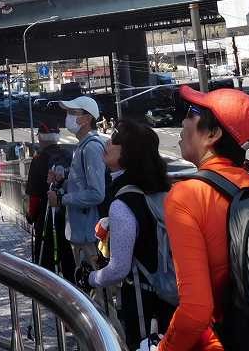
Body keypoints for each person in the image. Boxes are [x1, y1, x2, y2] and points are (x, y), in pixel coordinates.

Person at [159, 86, 249, 351]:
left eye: (191, 113)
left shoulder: (188, 195)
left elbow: (196, 311)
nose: (183, 121)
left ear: (212, 134)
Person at [80, 120, 174, 349]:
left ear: (129, 153)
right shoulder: (161, 190)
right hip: (169, 294)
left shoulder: (123, 202)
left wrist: (88, 279)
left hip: (142, 303)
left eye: (114, 140)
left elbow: (119, 269)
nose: (107, 142)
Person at [47, 95, 107, 270]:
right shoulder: (82, 146)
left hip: (89, 234)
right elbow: (81, 185)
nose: (68, 117)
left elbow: (97, 193)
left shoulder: (91, 148)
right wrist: (63, 181)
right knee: (84, 283)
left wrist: (61, 198)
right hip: (80, 231)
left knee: (95, 289)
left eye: (73, 112)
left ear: (87, 118)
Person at [25, 124, 75, 280]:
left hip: (45, 215)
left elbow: (34, 195)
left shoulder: (38, 159)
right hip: (69, 213)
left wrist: (31, 216)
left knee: (45, 260)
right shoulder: (68, 155)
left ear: (40, 138)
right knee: (68, 256)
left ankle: (50, 293)